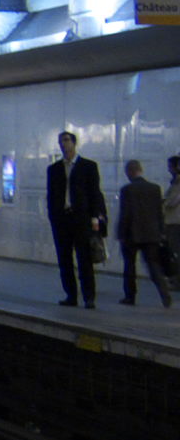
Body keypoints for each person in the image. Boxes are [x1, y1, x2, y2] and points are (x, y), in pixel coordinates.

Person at [48, 131, 107, 308]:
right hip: (62, 219)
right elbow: (51, 194)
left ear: (74, 143)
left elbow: (94, 193)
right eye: (61, 141)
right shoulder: (54, 169)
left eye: (66, 141)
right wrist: (53, 215)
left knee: (84, 259)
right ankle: (71, 295)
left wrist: (95, 216)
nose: (63, 145)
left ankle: (89, 296)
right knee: (64, 259)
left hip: (81, 218)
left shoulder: (88, 166)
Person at [116, 160, 173, 307]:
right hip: (151, 234)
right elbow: (159, 213)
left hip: (131, 234)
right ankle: (165, 294)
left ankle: (130, 297)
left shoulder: (126, 190)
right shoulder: (155, 189)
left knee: (130, 266)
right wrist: (161, 232)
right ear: (141, 170)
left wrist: (121, 233)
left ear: (129, 172)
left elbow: (125, 214)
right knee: (153, 265)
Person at [166, 155, 180, 290]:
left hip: (175, 221)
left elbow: (173, 201)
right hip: (175, 220)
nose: (168, 169)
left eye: (170, 166)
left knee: (175, 252)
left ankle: (176, 280)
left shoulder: (177, 182)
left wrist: (163, 202)